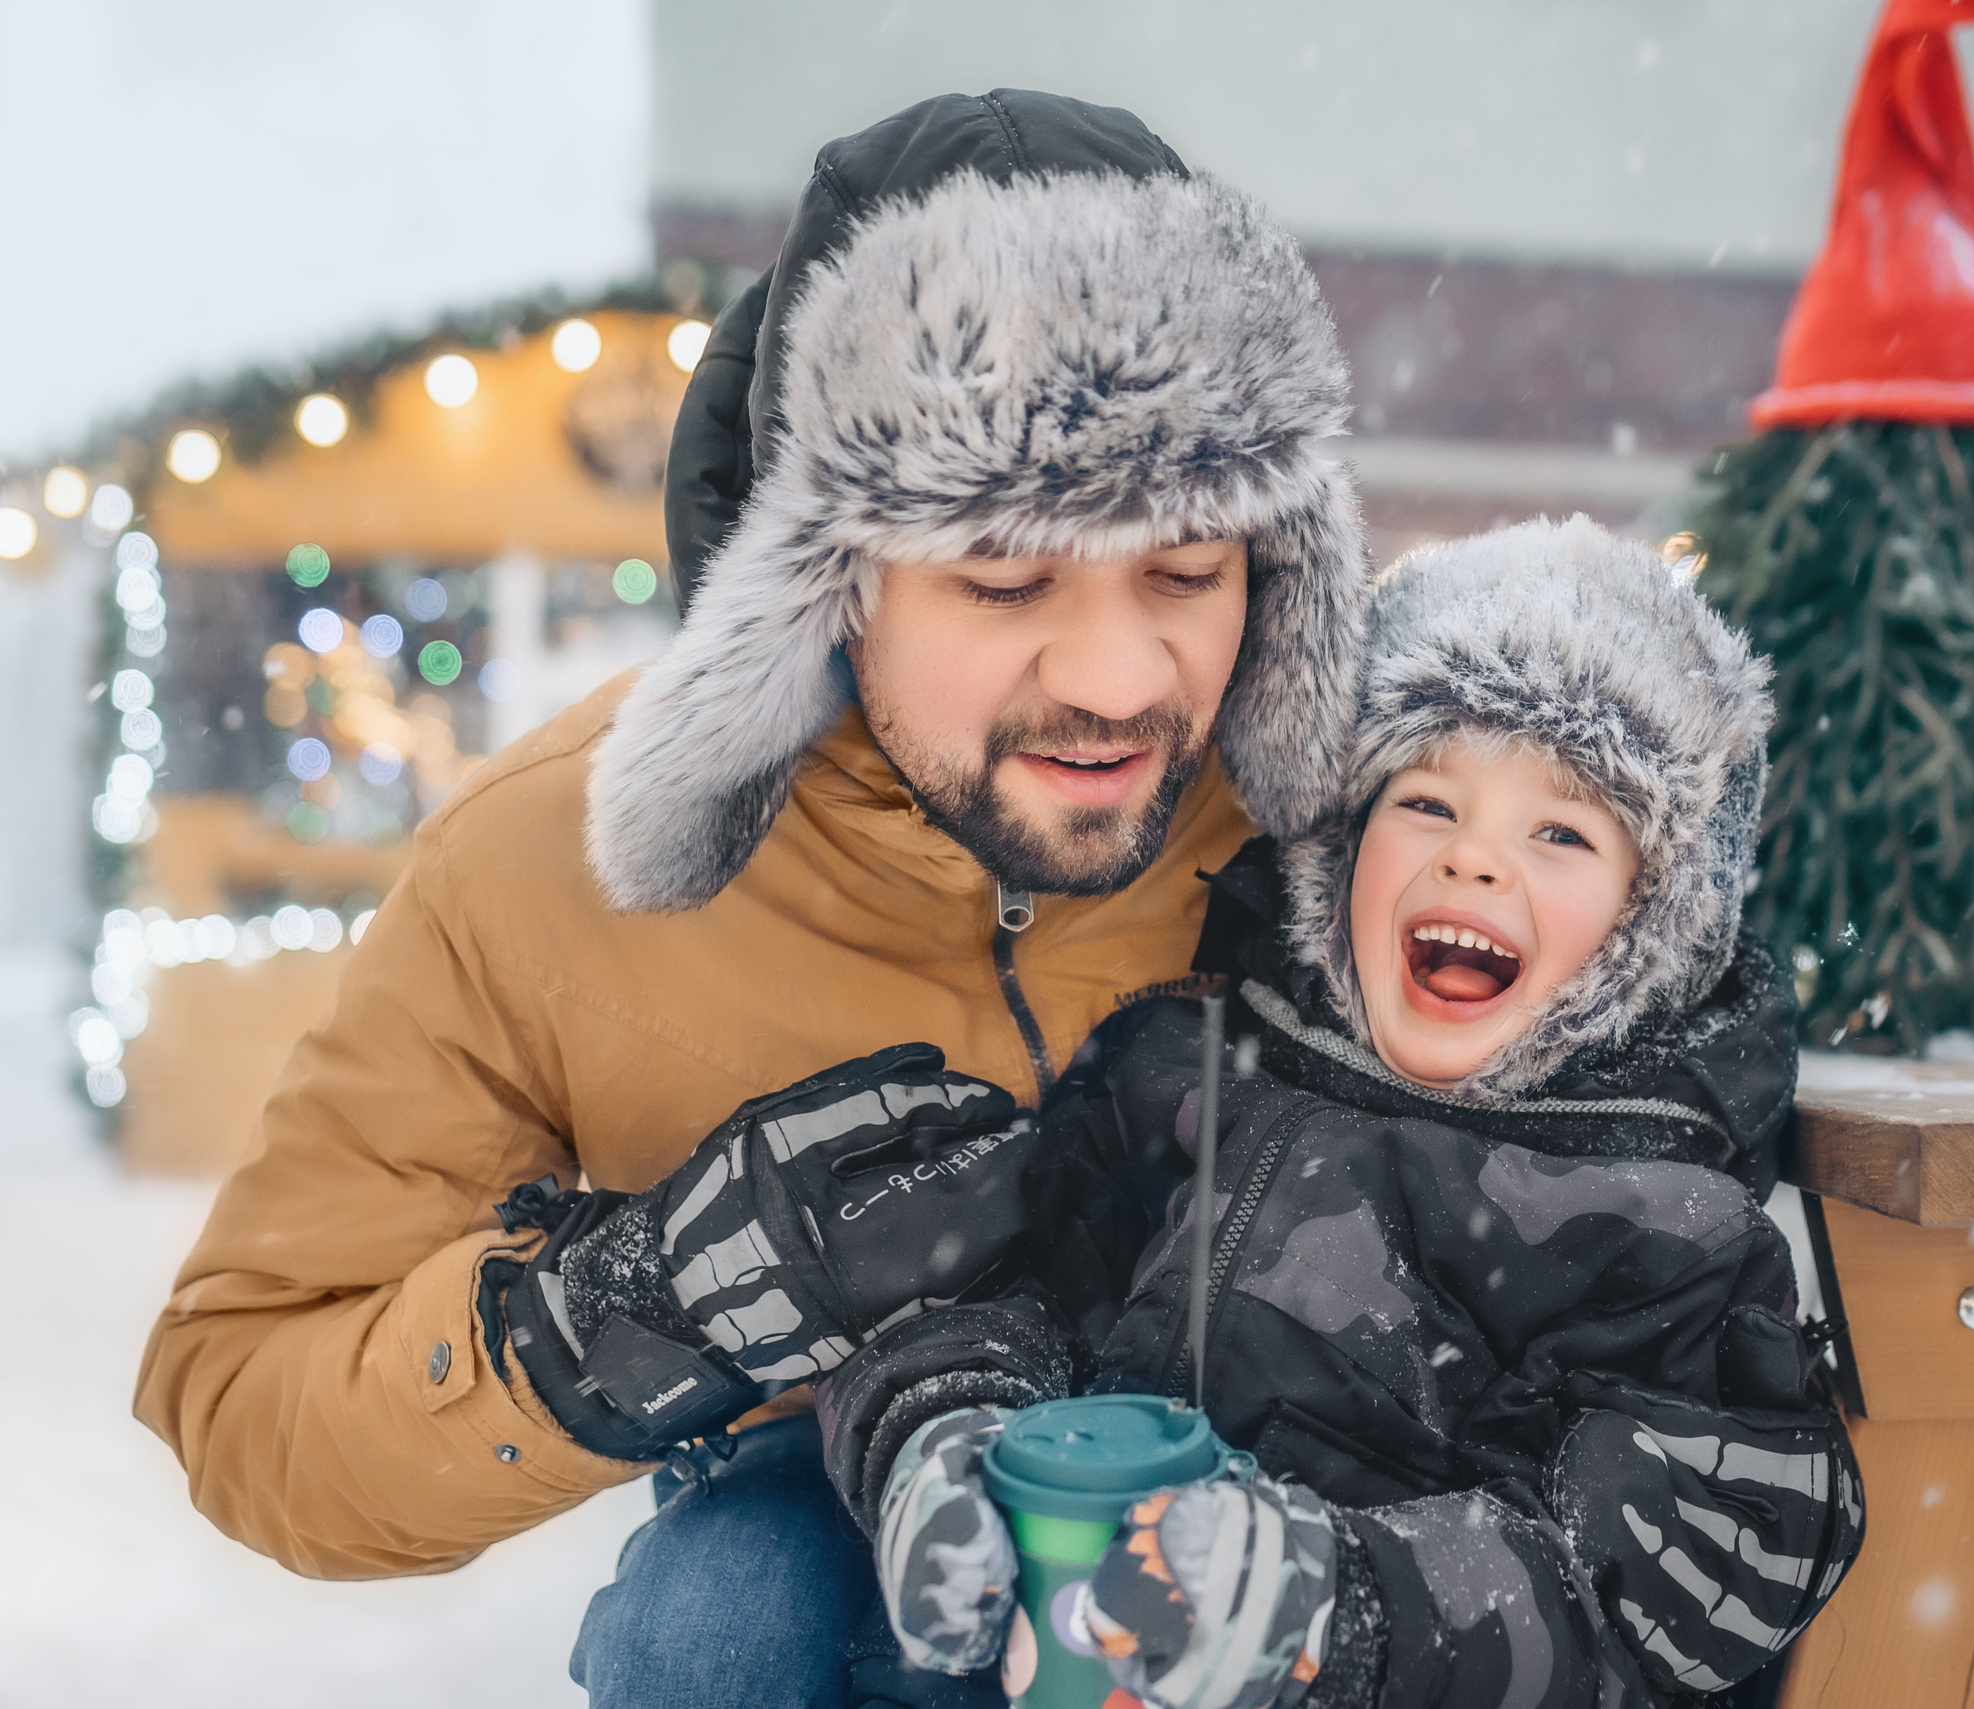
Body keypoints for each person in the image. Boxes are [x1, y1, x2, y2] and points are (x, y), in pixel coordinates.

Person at [132, 89, 1368, 1709]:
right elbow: (243, 1388)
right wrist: (624, 1314)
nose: (1122, 678)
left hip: (1312, 1553)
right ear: (826, 579)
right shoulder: (549, 862)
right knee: (716, 1621)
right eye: (1005, 578)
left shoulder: (1391, 819)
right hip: (827, 1570)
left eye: (1187, 572)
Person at [819, 518, 1866, 1709]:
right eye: (1426, 801)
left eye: (1561, 830)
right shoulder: (1187, 1073)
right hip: (1065, 1653)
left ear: (1651, 918)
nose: (1474, 861)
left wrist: (1333, 1608)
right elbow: (991, 1276)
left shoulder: (1661, 1228)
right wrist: (944, 1427)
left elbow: (1628, 1591)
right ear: (1340, 846)